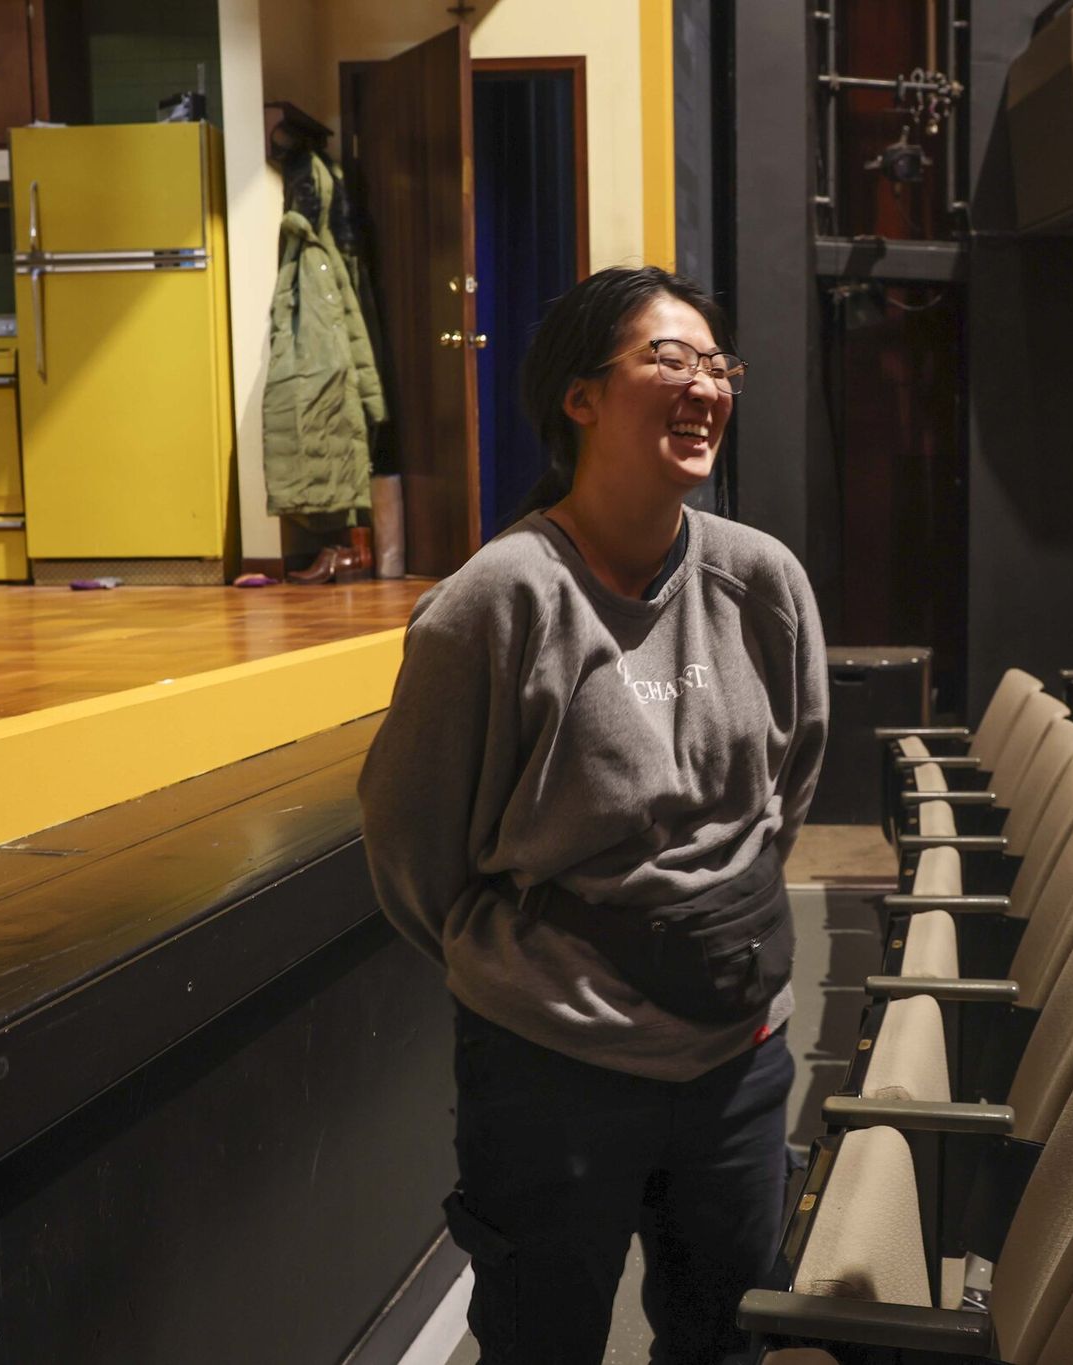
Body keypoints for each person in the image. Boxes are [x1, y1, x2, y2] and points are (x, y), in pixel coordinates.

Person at [358, 266, 828, 1364]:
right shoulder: (496, 601)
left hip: (737, 1048)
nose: (705, 385)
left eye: (718, 366)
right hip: (549, 1066)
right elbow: (411, 845)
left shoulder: (760, 580)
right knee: (539, 1344)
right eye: (670, 358)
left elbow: (785, 790)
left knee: (722, 1342)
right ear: (579, 397)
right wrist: (536, 976)